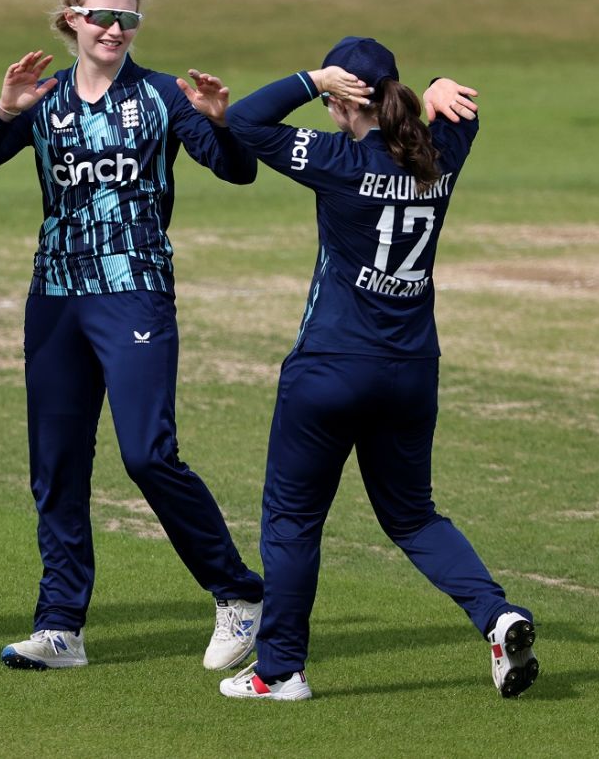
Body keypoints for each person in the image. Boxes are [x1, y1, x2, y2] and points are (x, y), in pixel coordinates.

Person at [0, 0, 265, 672]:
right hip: (56, 295)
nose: (114, 30)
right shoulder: (45, 96)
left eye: (127, 20)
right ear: (70, 20)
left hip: (135, 290)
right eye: (100, 17)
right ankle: (60, 624)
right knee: (57, 465)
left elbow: (235, 168)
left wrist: (222, 123)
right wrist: (4, 112)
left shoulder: (160, 96)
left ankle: (239, 594)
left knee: (147, 452)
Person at [215, 37, 538, 701]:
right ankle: (496, 615)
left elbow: (244, 121)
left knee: (294, 522)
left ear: (339, 99)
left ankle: (279, 672)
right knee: (414, 516)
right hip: (412, 370)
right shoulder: (438, 151)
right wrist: (442, 79)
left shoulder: (333, 156)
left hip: (330, 368)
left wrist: (307, 77)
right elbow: (462, 110)